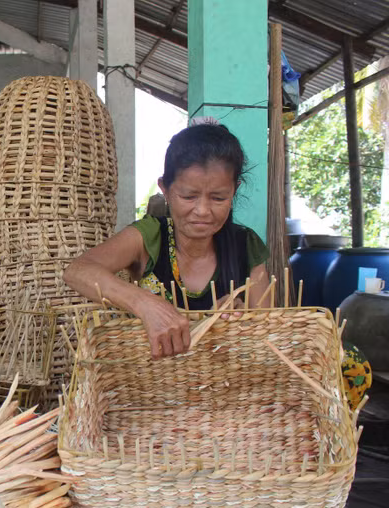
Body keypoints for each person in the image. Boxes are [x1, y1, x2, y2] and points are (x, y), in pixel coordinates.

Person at [64, 121, 269, 360]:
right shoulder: (150, 236)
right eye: (188, 196)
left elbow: (268, 332)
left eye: (218, 198)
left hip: (224, 387)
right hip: (153, 385)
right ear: (165, 188)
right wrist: (145, 304)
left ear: (234, 191)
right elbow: (77, 271)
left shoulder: (245, 245)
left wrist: (241, 315)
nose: (202, 210)